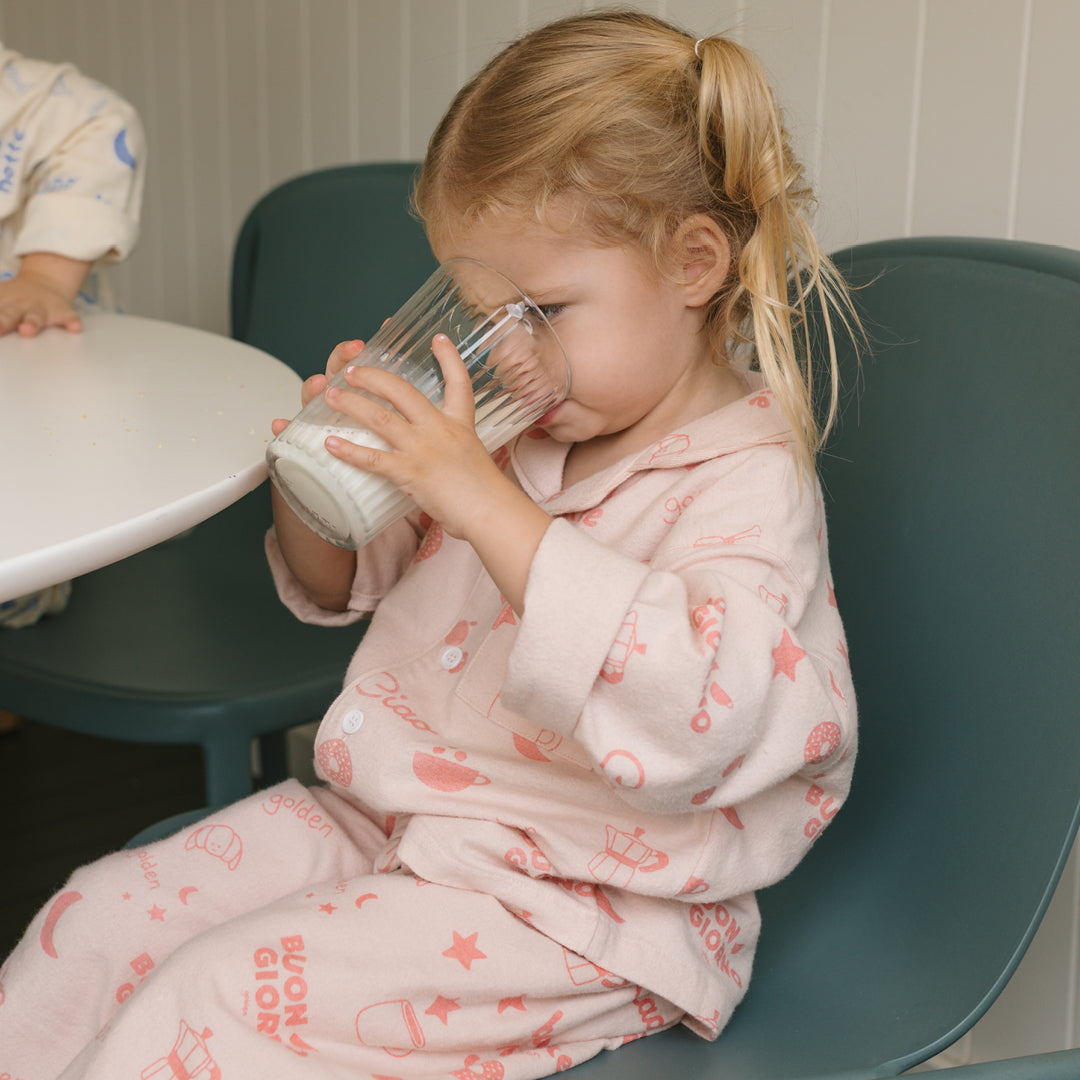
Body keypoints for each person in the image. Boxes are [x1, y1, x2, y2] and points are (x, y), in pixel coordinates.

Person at [0, 12, 859, 1078]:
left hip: (585, 905)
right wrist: (328, 481)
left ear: (693, 264)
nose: (509, 355)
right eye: (482, 311)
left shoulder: (744, 482)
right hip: (396, 821)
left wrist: (480, 499)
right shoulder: (517, 429)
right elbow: (332, 586)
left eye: (544, 310)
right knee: (99, 920)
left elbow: (708, 713)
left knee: (215, 1002)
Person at [0, 42, 145, 634]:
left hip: (35, 380)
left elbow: (102, 121)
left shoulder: (42, 104)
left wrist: (43, 278)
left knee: (33, 526)